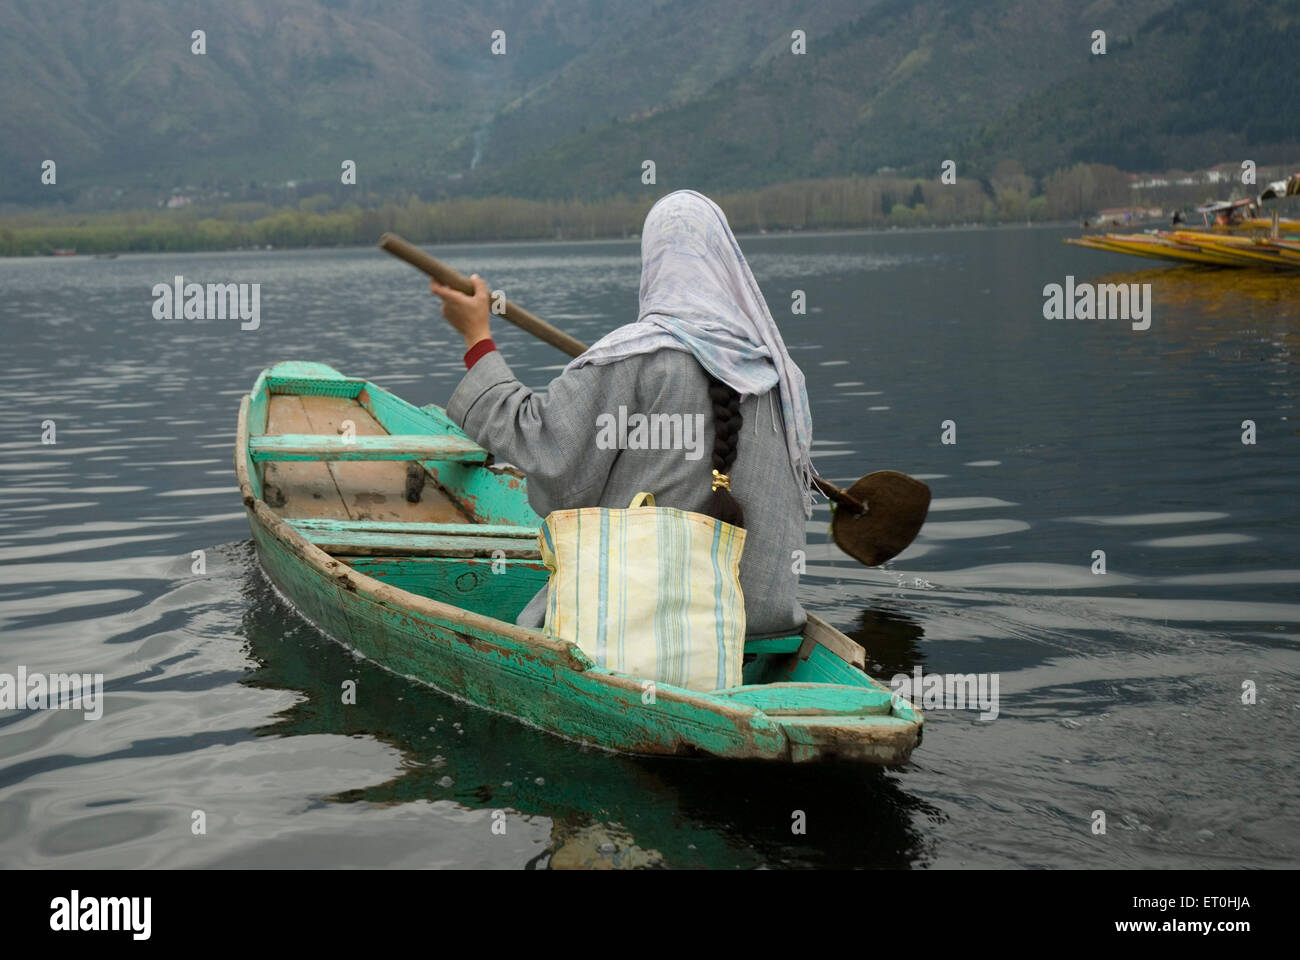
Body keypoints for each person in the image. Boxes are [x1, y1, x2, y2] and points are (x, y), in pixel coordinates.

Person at [430, 189, 812, 639]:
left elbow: (545, 449)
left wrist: (477, 338)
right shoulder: (784, 379)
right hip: (759, 624)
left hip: (642, 626)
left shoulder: (636, 358)